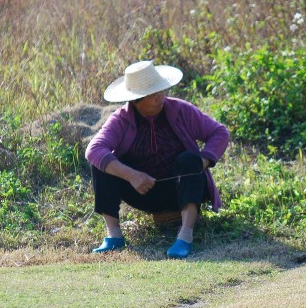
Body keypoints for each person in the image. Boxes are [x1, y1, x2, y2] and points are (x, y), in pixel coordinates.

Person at [85, 60, 230, 258]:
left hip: (181, 189)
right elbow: (93, 150)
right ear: (137, 100)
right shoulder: (120, 120)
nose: (160, 97)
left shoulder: (181, 110)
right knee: (101, 163)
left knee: (190, 159)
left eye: (161, 91)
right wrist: (132, 176)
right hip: (142, 191)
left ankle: (185, 235)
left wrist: (203, 162)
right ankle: (114, 236)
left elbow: (219, 133)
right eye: (153, 94)